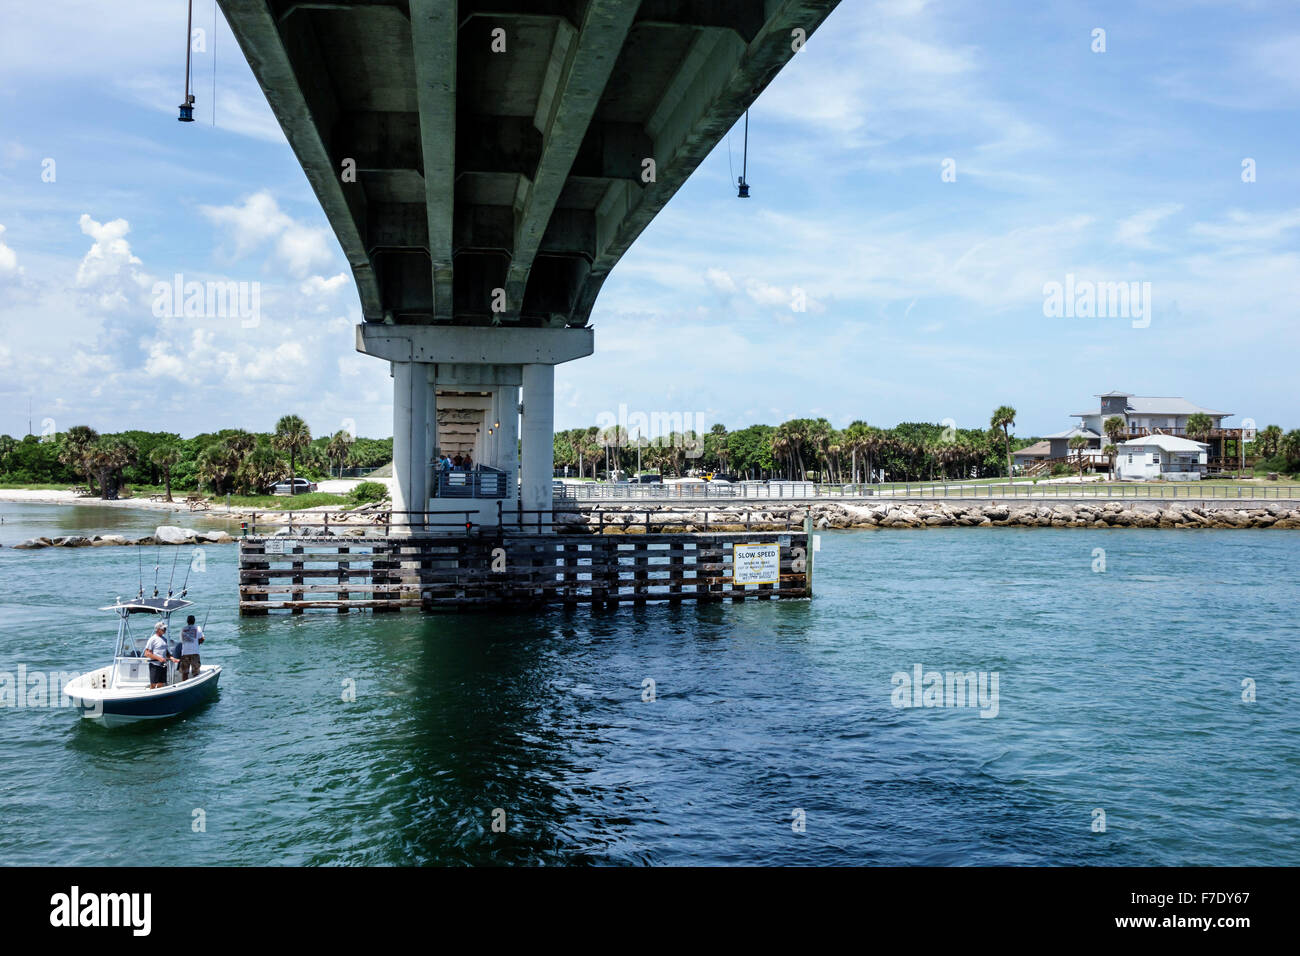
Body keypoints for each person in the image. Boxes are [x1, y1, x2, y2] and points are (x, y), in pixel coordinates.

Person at [143, 622, 178, 689]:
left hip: (163, 665)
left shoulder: (164, 639)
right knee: (153, 684)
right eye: (163, 628)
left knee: (161, 683)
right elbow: (147, 653)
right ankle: (151, 696)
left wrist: (172, 658)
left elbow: (166, 652)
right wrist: (159, 658)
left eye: (165, 628)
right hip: (154, 665)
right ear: (158, 629)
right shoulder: (152, 639)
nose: (165, 629)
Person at [178, 614, 205, 681]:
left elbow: (182, 641)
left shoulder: (183, 629)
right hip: (194, 653)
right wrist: (199, 642)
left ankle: (184, 685)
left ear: (187, 621)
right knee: (195, 672)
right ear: (194, 621)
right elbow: (202, 639)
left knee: (185, 673)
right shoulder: (198, 628)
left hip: (185, 653)